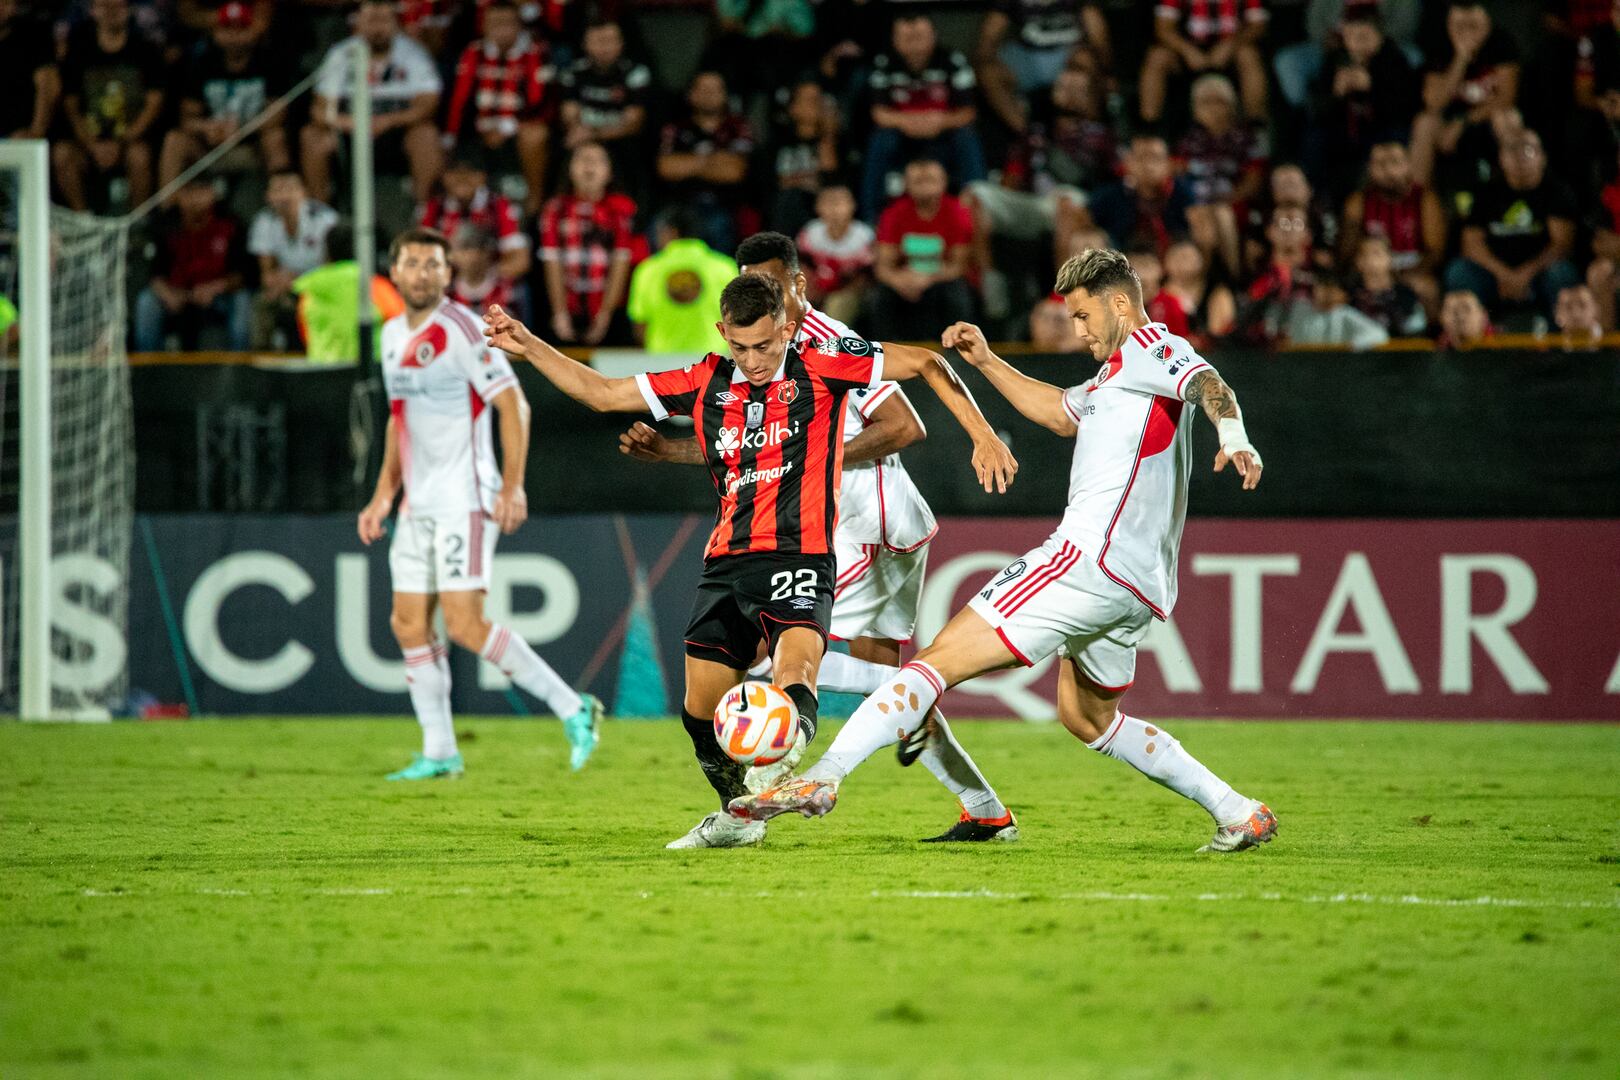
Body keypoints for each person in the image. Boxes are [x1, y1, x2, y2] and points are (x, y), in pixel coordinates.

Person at [731, 248, 1277, 856]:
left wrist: (1236, 437)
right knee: (1089, 720)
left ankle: (822, 779)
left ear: (1120, 303)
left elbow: (1208, 382)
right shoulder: (1116, 375)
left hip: (1085, 561)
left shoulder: (1152, 347)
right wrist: (988, 361)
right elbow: (1061, 414)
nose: (1078, 328)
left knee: (931, 664)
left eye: (1082, 315)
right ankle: (1238, 811)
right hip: (1137, 585)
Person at [482, 273, 1018, 848]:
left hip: (802, 555)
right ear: (722, 335)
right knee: (700, 711)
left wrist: (982, 435)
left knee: (794, 674)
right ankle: (738, 815)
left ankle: (785, 771)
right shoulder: (704, 379)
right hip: (726, 564)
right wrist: (529, 344)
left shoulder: (826, 364)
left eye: (765, 345)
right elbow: (603, 394)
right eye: (741, 347)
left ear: (787, 329)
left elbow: (927, 364)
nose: (755, 360)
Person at [620, 231, 1020, 845]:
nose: (766, 298)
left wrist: (825, 459)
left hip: (866, 528)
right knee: (883, 686)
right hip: (878, 527)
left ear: (798, 285)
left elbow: (903, 424)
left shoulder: (827, 343)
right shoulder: (766, 349)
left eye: (776, 285)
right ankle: (984, 809)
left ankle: (748, 814)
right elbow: (753, 451)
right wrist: (672, 450)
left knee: (762, 670)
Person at [358, 227, 601, 780]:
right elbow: (400, 425)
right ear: (393, 272)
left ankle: (571, 706)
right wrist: (382, 498)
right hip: (416, 505)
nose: (421, 272)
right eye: (411, 262)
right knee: (406, 623)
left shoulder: (463, 329)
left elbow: (514, 405)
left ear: (448, 273)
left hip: (466, 496)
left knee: (465, 625)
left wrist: (512, 485)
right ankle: (440, 750)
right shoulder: (392, 333)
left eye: (432, 264)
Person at [302, 0, 443, 204]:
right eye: (371, 20)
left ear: (395, 22)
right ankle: (320, 211)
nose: (378, 28)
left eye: (384, 20)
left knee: (426, 135)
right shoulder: (341, 53)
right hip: (350, 134)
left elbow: (428, 104)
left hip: (395, 134)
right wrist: (347, 122)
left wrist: (388, 121)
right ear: (358, 22)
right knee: (312, 136)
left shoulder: (413, 53)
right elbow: (319, 109)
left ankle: (426, 209)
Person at [1444, 128, 1578, 320]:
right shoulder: (1487, 192)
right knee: (1459, 272)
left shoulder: (1556, 192)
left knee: (1561, 273)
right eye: (1512, 149)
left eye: (1528, 148)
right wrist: (1506, 276)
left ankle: (1558, 340)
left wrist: (1523, 275)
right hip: (1495, 273)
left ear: (1542, 157)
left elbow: (1561, 246)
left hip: (1539, 272)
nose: (1520, 155)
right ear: (1501, 158)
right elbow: (1471, 244)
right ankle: (1472, 339)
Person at [862, 13, 985, 218]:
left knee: (966, 137)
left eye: (919, 36)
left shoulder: (952, 60)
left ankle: (977, 215)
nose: (913, 44)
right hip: (902, 138)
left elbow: (968, 112)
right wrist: (910, 122)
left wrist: (940, 121)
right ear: (895, 40)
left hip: (943, 135)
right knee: (880, 140)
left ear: (934, 36)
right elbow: (879, 114)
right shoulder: (884, 63)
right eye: (907, 38)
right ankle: (871, 218)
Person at [157, 1, 288, 194]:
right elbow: (187, 119)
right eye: (227, 29)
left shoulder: (268, 62)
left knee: (275, 138)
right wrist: (208, 127)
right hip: (210, 146)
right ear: (216, 33)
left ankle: (280, 206)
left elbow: (278, 114)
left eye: (241, 28)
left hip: (252, 144)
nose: (234, 36)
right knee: (175, 139)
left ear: (253, 32)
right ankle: (168, 212)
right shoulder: (201, 64)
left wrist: (241, 129)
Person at [442, 0, 553, 213]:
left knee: (535, 135)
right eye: (495, 23)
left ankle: (536, 201)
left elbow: (542, 102)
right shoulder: (473, 52)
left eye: (507, 23)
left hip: (519, 127)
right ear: (484, 26)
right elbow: (459, 100)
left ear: (519, 25)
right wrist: (452, 136)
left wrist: (509, 126)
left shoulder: (536, 52)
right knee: (446, 147)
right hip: (478, 130)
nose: (501, 28)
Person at [54, 0, 165, 212]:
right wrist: (90, 143)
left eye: (118, 6)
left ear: (129, 10)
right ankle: (84, 220)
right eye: (105, 6)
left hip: (130, 139)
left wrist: (122, 141)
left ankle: (137, 223)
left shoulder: (145, 49)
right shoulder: (79, 49)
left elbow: (154, 104)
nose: (111, 12)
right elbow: (71, 105)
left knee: (139, 156)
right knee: (62, 154)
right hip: (88, 140)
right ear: (93, 11)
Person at [1305, 10, 1417, 200]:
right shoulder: (1336, 60)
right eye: (1351, 36)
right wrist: (1336, 94)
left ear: (1379, 37)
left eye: (1364, 36)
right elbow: (1316, 108)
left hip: (1383, 131)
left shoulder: (1393, 59)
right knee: (1314, 137)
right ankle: (1317, 197)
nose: (1357, 43)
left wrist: (1372, 88)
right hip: (1345, 133)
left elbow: (1406, 108)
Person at [1408, 0, 1519, 190]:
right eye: (1460, 26)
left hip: (1482, 119)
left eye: (1473, 25)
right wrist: (1461, 57)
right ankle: (1421, 201)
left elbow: (1506, 98)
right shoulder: (1438, 44)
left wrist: (1462, 122)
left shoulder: (1502, 42)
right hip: (1445, 121)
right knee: (1424, 123)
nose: (1468, 32)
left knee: (1508, 119)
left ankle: (1513, 193)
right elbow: (1434, 103)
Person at [537, 141, 637, 347]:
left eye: (598, 160)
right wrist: (560, 312)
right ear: (570, 169)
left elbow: (620, 263)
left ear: (609, 173)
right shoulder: (555, 209)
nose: (589, 165)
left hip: (609, 309)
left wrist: (605, 315)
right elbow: (552, 262)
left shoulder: (620, 209)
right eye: (582, 159)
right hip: (567, 307)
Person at [133, 179, 252, 351]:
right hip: (177, 293)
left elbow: (244, 273)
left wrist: (216, 287)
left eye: (201, 192)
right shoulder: (166, 225)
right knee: (147, 301)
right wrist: (168, 293)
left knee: (243, 299)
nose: (195, 199)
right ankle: (147, 366)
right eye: (189, 192)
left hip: (219, 295)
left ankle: (241, 365)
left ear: (213, 193)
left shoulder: (230, 223)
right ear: (179, 195)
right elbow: (155, 273)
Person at [869, 158, 978, 340]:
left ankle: (958, 354)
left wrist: (927, 278)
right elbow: (883, 266)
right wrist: (898, 280)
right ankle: (887, 356)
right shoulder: (893, 213)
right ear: (906, 185)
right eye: (918, 182)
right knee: (879, 298)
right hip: (904, 279)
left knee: (957, 296)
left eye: (931, 180)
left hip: (942, 279)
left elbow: (959, 265)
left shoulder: (957, 212)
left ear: (944, 182)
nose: (925, 186)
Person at [1176, 73, 1267, 278]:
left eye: (1219, 101)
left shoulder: (1247, 138)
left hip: (1235, 204)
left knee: (1221, 215)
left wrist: (1224, 201)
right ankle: (1201, 285)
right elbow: (1176, 173)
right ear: (1195, 108)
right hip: (1194, 204)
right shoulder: (1187, 140)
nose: (1212, 107)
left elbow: (1254, 180)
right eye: (1205, 102)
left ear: (1232, 106)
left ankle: (1231, 280)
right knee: (1199, 218)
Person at [655, 70, 755, 254]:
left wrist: (689, 162)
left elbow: (734, 171)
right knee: (659, 227)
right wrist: (713, 159)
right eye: (703, 89)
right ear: (691, 94)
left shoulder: (737, 127)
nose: (709, 94)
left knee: (718, 225)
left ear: (725, 95)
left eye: (715, 89)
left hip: (723, 205)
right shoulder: (677, 127)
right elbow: (666, 168)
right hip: (680, 202)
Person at [975, 0, 1111, 133]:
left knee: (1086, 61)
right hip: (1028, 58)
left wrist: (1106, 73)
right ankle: (1028, 135)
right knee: (987, 70)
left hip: (1068, 58)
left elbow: (1098, 34)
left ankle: (1091, 134)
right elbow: (987, 39)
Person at [1339, 140, 1445, 308]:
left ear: (1408, 165)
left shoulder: (1424, 199)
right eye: (1380, 164)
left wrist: (1402, 277)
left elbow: (1434, 251)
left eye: (1394, 162)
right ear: (1369, 168)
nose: (1388, 171)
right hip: (1372, 266)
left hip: (1412, 267)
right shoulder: (1358, 202)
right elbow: (1348, 251)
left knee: (1428, 289)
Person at [557, 19, 650, 201]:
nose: (604, 48)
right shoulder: (573, 73)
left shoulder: (635, 73)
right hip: (582, 140)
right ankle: (561, 211)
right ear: (585, 44)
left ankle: (628, 213)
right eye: (598, 42)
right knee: (567, 147)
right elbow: (569, 115)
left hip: (620, 143)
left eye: (609, 41)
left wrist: (594, 133)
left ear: (621, 43)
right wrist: (581, 133)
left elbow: (633, 123)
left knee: (631, 151)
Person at [249, 169, 340, 350]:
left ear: (304, 192)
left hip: (318, 286)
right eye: (278, 190)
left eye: (290, 189)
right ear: (268, 196)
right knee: (264, 301)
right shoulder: (264, 221)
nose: (284, 196)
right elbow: (266, 273)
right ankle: (262, 361)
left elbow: (332, 269)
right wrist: (280, 282)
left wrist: (297, 281)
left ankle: (319, 351)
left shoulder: (324, 219)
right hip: (285, 287)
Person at [625, 208, 737, 354]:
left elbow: (640, 324)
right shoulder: (725, 267)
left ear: (671, 231)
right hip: (714, 363)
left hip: (662, 365)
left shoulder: (648, 269)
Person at [289, 224, 406, 364]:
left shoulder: (310, 292)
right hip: (369, 375)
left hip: (320, 377)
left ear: (327, 253)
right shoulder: (376, 287)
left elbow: (306, 335)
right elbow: (402, 332)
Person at [1140, 0, 1269, 125]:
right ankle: (1149, 126)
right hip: (1186, 53)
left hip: (1231, 53)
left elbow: (1258, 27)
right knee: (1157, 56)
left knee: (1249, 55)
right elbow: (1163, 29)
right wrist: (1187, 51)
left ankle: (1255, 124)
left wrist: (1230, 45)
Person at [418, 146, 530, 285]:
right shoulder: (433, 208)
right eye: (454, 171)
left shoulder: (499, 205)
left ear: (483, 175)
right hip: (448, 290)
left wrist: (480, 270)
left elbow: (520, 261)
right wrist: (455, 259)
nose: (462, 178)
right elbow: (421, 260)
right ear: (443, 176)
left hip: (492, 291)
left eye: (471, 171)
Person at [1085, 134, 1195, 261]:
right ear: (1127, 162)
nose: (1148, 165)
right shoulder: (1110, 194)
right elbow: (1087, 219)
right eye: (1141, 158)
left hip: (1173, 260)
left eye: (1155, 158)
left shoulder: (1182, 193)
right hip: (1119, 260)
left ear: (1168, 164)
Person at [797, 185, 875, 327]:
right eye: (828, 202)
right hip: (815, 289)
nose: (834, 209)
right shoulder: (810, 233)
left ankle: (830, 346)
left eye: (839, 202)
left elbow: (865, 278)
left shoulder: (864, 236)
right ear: (817, 207)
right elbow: (803, 268)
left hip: (851, 292)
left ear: (853, 205)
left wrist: (837, 291)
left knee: (837, 304)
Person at [1283, 266, 1390, 349]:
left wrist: (1351, 347)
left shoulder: (1344, 314)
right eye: (1321, 285)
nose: (1323, 292)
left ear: (1344, 295)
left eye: (1331, 288)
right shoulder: (1299, 307)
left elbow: (1379, 334)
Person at [1149, 240, 1235, 342]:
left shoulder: (1217, 293)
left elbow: (1222, 333)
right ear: (1166, 262)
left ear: (1202, 260)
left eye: (1187, 257)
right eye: (1176, 257)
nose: (1182, 262)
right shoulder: (1154, 294)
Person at [0, 0, 58, 147]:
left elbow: (48, 87)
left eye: (5, 3)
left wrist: (35, 133)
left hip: (20, 135)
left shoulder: (34, 35)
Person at [1350, 235, 1425, 337]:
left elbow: (1417, 328)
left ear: (1390, 258)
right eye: (1365, 254)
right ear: (1358, 261)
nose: (1370, 259)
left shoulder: (1406, 294)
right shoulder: (1350, 296)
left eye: (1376, 253)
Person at [449, 223, 523, 319]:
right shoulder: (446, 293)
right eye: (464, 249)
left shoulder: (507, 289)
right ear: (453, 255)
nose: (471, 256)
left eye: (478, 248)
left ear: (488, 252)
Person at [1554, 284, 1603, 351]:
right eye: (1569, 307)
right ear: (1557, 314)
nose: (1576, 314)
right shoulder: (1549, 350)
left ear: (1596, 310)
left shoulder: (1614, 348)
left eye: (1582, 305)